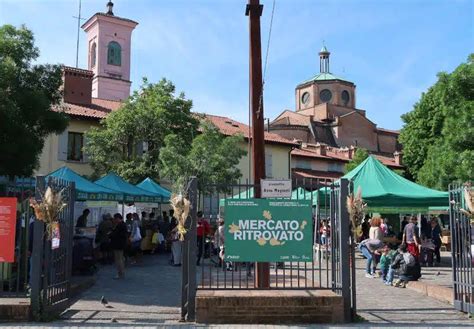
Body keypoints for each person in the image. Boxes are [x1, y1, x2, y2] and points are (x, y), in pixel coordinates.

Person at [109, 213, 128, 279]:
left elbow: (115, 234)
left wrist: (110, 234)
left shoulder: (120, 225)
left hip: (118, 244)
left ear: (117, 218)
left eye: (114, 218)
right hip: (121, 244)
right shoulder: (122, 224)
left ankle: (120, 273)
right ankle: (121, 273)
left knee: (118, 259)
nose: (114, 220)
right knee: (120, 258)